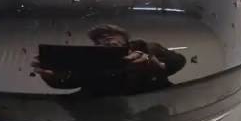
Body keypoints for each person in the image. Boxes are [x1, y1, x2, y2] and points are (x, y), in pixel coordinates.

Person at [31, 24, 186, 96]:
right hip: (108, 113)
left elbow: (179, 61)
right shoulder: (90, 59)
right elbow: (72, 81)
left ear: (125, 38)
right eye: (100, 37)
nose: (106, 37)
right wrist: (52, 76)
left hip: (154, 106)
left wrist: (157, 66)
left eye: (111, 33)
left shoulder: (148, 48)